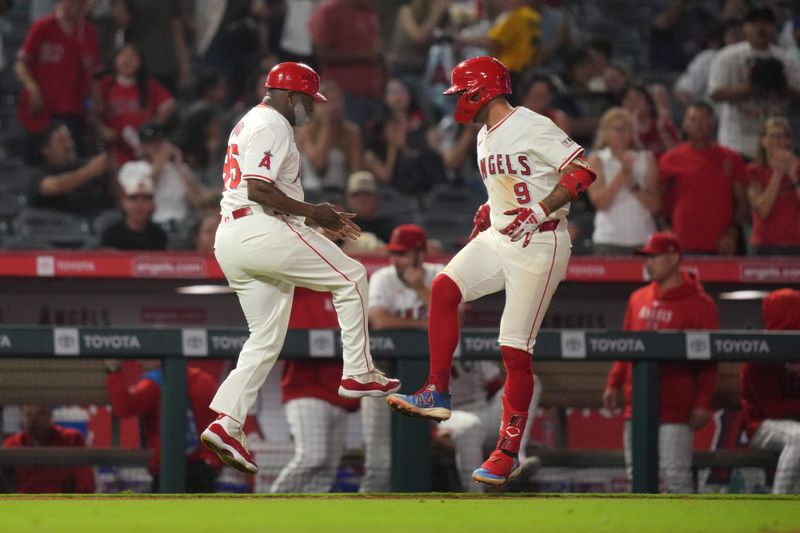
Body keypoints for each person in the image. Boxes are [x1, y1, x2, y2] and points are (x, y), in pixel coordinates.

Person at [387, 56, 597, 486]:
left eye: (462, 92)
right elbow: (513, 183)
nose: (457, 102)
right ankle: (436, 390)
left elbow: (583, 170)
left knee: (515, 350)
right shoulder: (484, 135)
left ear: (481, 90)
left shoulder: (531, 123)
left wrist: (538, 210)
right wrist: (490, 208)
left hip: (541, 241)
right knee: (443, 287)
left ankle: (507, 452)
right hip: (502, 234)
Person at [199, 62, 400, 476]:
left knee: (265, 338)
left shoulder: (251, 122)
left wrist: (312, 219)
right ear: (289, 96)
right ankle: (358, 373)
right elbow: (259, 188)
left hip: (234, 236)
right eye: (308, 100)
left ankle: (227, 422)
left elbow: (261, 190)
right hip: (258, 228)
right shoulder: (272, 122)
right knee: (353, 277)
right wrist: (316, 212)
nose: (312, 108)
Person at [363, 223, 485, 493]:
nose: (397, 260)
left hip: (428, 388)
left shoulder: (440, 275)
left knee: (445, 443)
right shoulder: (383, 277)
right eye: (394, 254)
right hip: (385, 383)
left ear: (420, 253)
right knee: (379, 464)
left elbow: (456, 319)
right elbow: (380, 321)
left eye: (403, 254)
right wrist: (427, 324)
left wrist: (421, 289)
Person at [602, 232, 719, 493]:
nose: (648, 262)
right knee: (636, 475)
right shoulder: (638, 298)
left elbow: (709, 363)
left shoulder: (701, 304)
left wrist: (702, 402)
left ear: (674, 258)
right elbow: (626, 346)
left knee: (675, 475)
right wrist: (614, 382)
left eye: (654, 257)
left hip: (675, 406)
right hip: (637, 404)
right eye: (647, 257)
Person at [270, 287, 360, 493]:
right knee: (312, 456)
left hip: (340, 393)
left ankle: (309, 522)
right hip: (306, 389)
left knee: (328, 467)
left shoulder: (350, 291)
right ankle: (270, 504)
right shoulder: (298, 287)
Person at [105, 359, 221, 492]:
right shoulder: (205, 380)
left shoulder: (154, 383)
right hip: (205, 469)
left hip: (168, 470)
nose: (139, 361)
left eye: (145, 356)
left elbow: (124, 408)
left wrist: (113, 369)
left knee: (167, 512)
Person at [709, 7, 800, 160]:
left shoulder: (786, 59)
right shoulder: (728, 56)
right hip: (736, 142)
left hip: (773, 144)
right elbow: (715, 93)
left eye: (766, 23)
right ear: (745, 27)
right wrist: (752, 87)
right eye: (755, 23)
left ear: (773, 27)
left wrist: (781, 86)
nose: (761, 27)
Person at [658, 101, 748, 255]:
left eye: (703, 120)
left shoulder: (731, 158)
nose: (698, 124)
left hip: (722, 245)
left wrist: (732, 233)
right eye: (693, 119)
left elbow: (743, 203)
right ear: (685, 124)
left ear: (713, 123)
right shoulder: (670, 159)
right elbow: (657, 200)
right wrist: (665, 230)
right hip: (681, 244)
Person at [14, 0, 100, 143]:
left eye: (81, 4)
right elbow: (20, 65)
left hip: (73, 110)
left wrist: (92, 104)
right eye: (73, 3)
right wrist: (32, 88)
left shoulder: (88, 32)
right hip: (42, 109)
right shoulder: (43, 26)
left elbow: (93, 75)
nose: (77, 7)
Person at [741, 288, 800, 494]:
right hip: (761, 426)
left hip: (792, 423)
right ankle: (778, 501)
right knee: (798, 437)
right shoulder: (761, 351)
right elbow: (774, 409)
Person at [587, 107, 660, 255]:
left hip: (643, 237)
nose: (621, 133)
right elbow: (601, 203)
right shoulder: (597, 160)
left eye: (626, 128)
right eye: (616, 129)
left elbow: (655, 206)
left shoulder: (646, 159)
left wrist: (634, 187)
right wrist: (622, 175)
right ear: (605, 133)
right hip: (609, 240)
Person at [92, 43, 176, 167]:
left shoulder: (149, 85)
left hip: (145, 149)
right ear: (115, 60)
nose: (127, 60)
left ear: (140, 62)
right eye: (123, 56)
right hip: (117, 149)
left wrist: (153, 124)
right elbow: (92, 111)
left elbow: (170, 104)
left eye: (133, 57)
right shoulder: (104, 85)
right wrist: (103, 130)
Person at [2, 405, 95, 493]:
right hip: (21, 507)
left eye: (40, 413)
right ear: (21, 417)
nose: (35, 420)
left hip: (64, 507)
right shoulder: (12, 445)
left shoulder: (72, 439)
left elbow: (85, 485)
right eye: (29, 415)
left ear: (50, 414)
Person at [29, 122, 116, 214]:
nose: (68, 145)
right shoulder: (38, 174)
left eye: (69, 139)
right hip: (60, 224)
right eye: (61, 141)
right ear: (46, 149)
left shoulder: (86, 164)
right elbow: (53, 186)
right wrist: (90, 172)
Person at [744, 117, 800, 255]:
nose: (776, 141)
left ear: (788, 140)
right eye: (772, 136)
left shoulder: (798, 167)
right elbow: (762, 209)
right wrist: (778, 174)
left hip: (796, 243)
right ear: (763, 141)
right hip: (764, 245)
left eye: (781, 136)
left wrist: (794, 176)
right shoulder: (752, 171)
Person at [99, 162, 167, 250]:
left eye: (146, 199)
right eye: (133, 198)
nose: (140, 205)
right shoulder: (111, 234)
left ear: (152, 204)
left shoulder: (159, 235)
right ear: (123, 203)